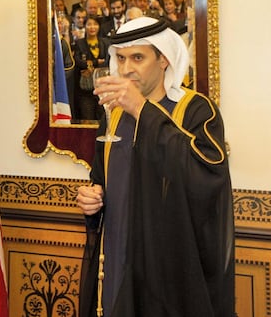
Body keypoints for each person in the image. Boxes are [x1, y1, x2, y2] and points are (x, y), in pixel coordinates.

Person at [76, 17, 234, 317]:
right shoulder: (114, 115)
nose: (126, 69)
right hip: (119, 254)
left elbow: (207, 178)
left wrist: (141, 109)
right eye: (120, 58)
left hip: (170, 263)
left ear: (164, 60)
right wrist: (93, 199)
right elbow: (101, 178)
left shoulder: (197, 110)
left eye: (138, 57)